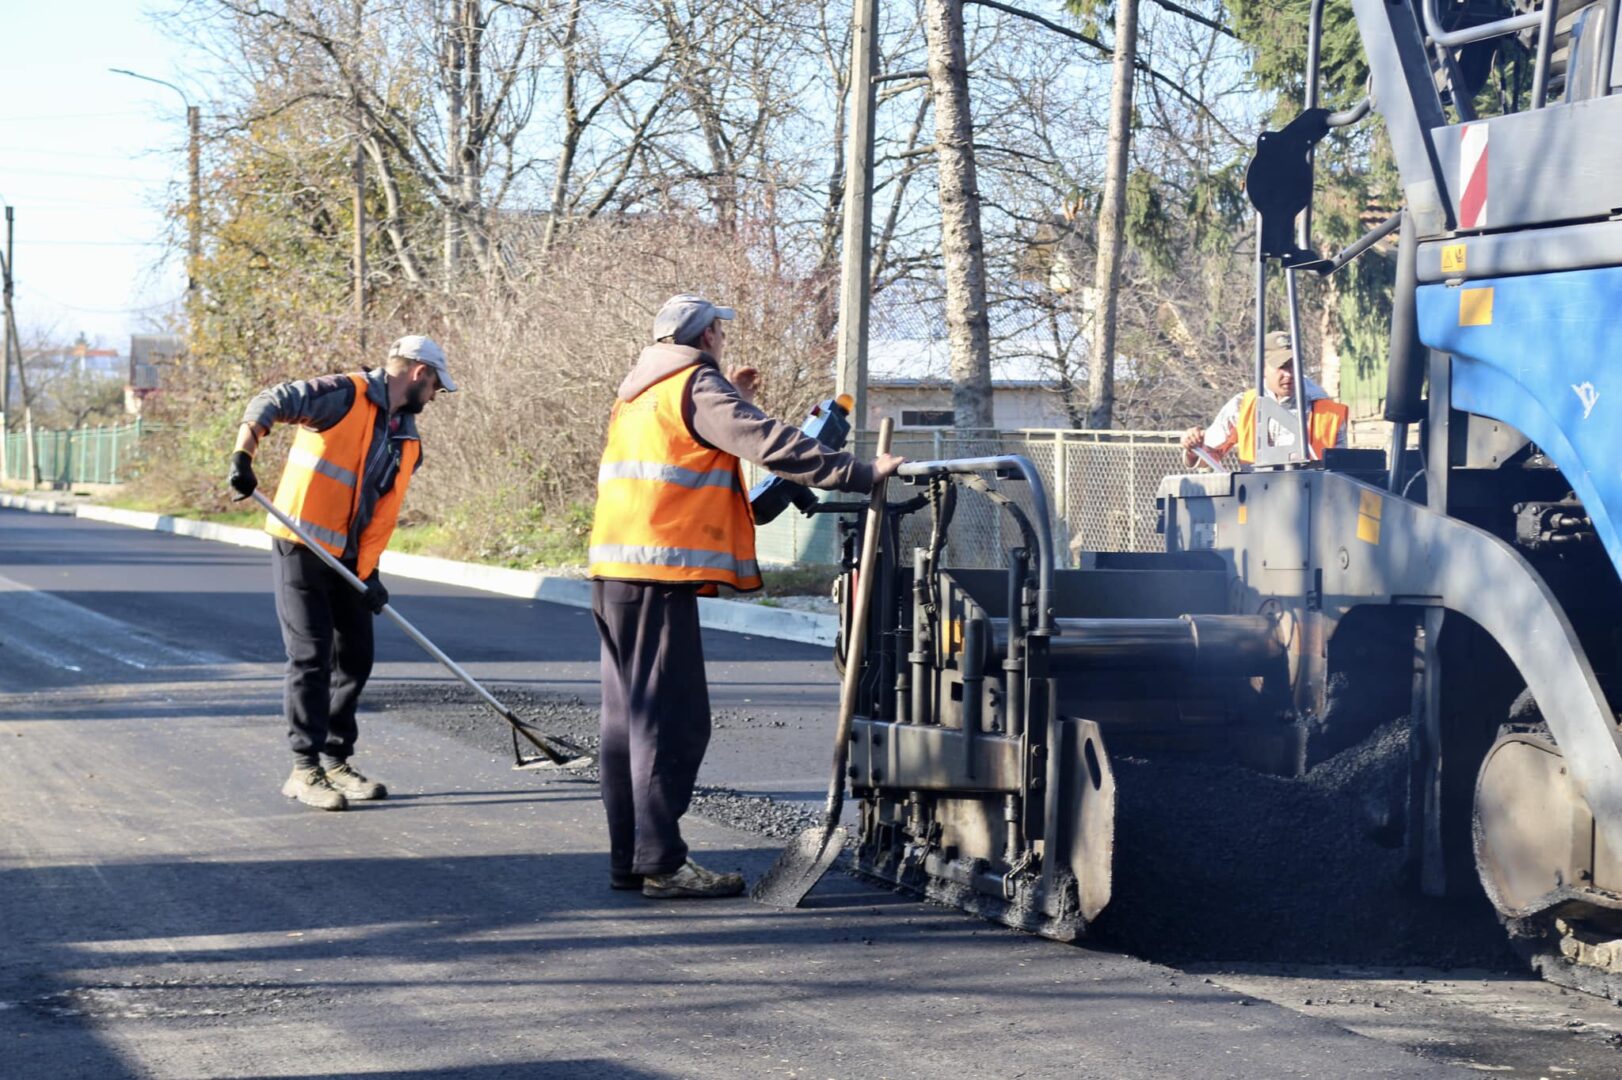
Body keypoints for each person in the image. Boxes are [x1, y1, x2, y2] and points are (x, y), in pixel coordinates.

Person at [588, 294, 904, 900]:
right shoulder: (696, 385)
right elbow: (766, 441)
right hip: (659, 575)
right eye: (719, 334)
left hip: (618, 573)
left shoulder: (641, 390)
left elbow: (696, 449)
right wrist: (858, 472)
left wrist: (733, 394)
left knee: (627, 725)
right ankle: (661, 864)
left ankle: (634, 859)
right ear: (705, 337)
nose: (722, 342)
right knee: (672, 724)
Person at [226, 335, 455, 811]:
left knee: (355, 658)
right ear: (418, 374)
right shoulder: (342, 394)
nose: (435, 396)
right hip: (301, 544)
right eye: (435, 386)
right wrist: (243, 458)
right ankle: (303, 769)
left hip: (350, 560)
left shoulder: (407, 437)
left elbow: (378, 512)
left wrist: (370, 574)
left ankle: (335, 760)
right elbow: (269, 401)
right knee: (310, 656)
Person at [1181, 330, 1349, 468]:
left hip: (1312, 501)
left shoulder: (1327, 412)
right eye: (1281, 366)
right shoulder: (1242, 407)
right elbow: (1208, 456)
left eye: (1293, 365)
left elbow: (1340, 472)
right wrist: (1192, 447)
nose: (1289, 374)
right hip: (1256, 500)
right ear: (1262, 369)